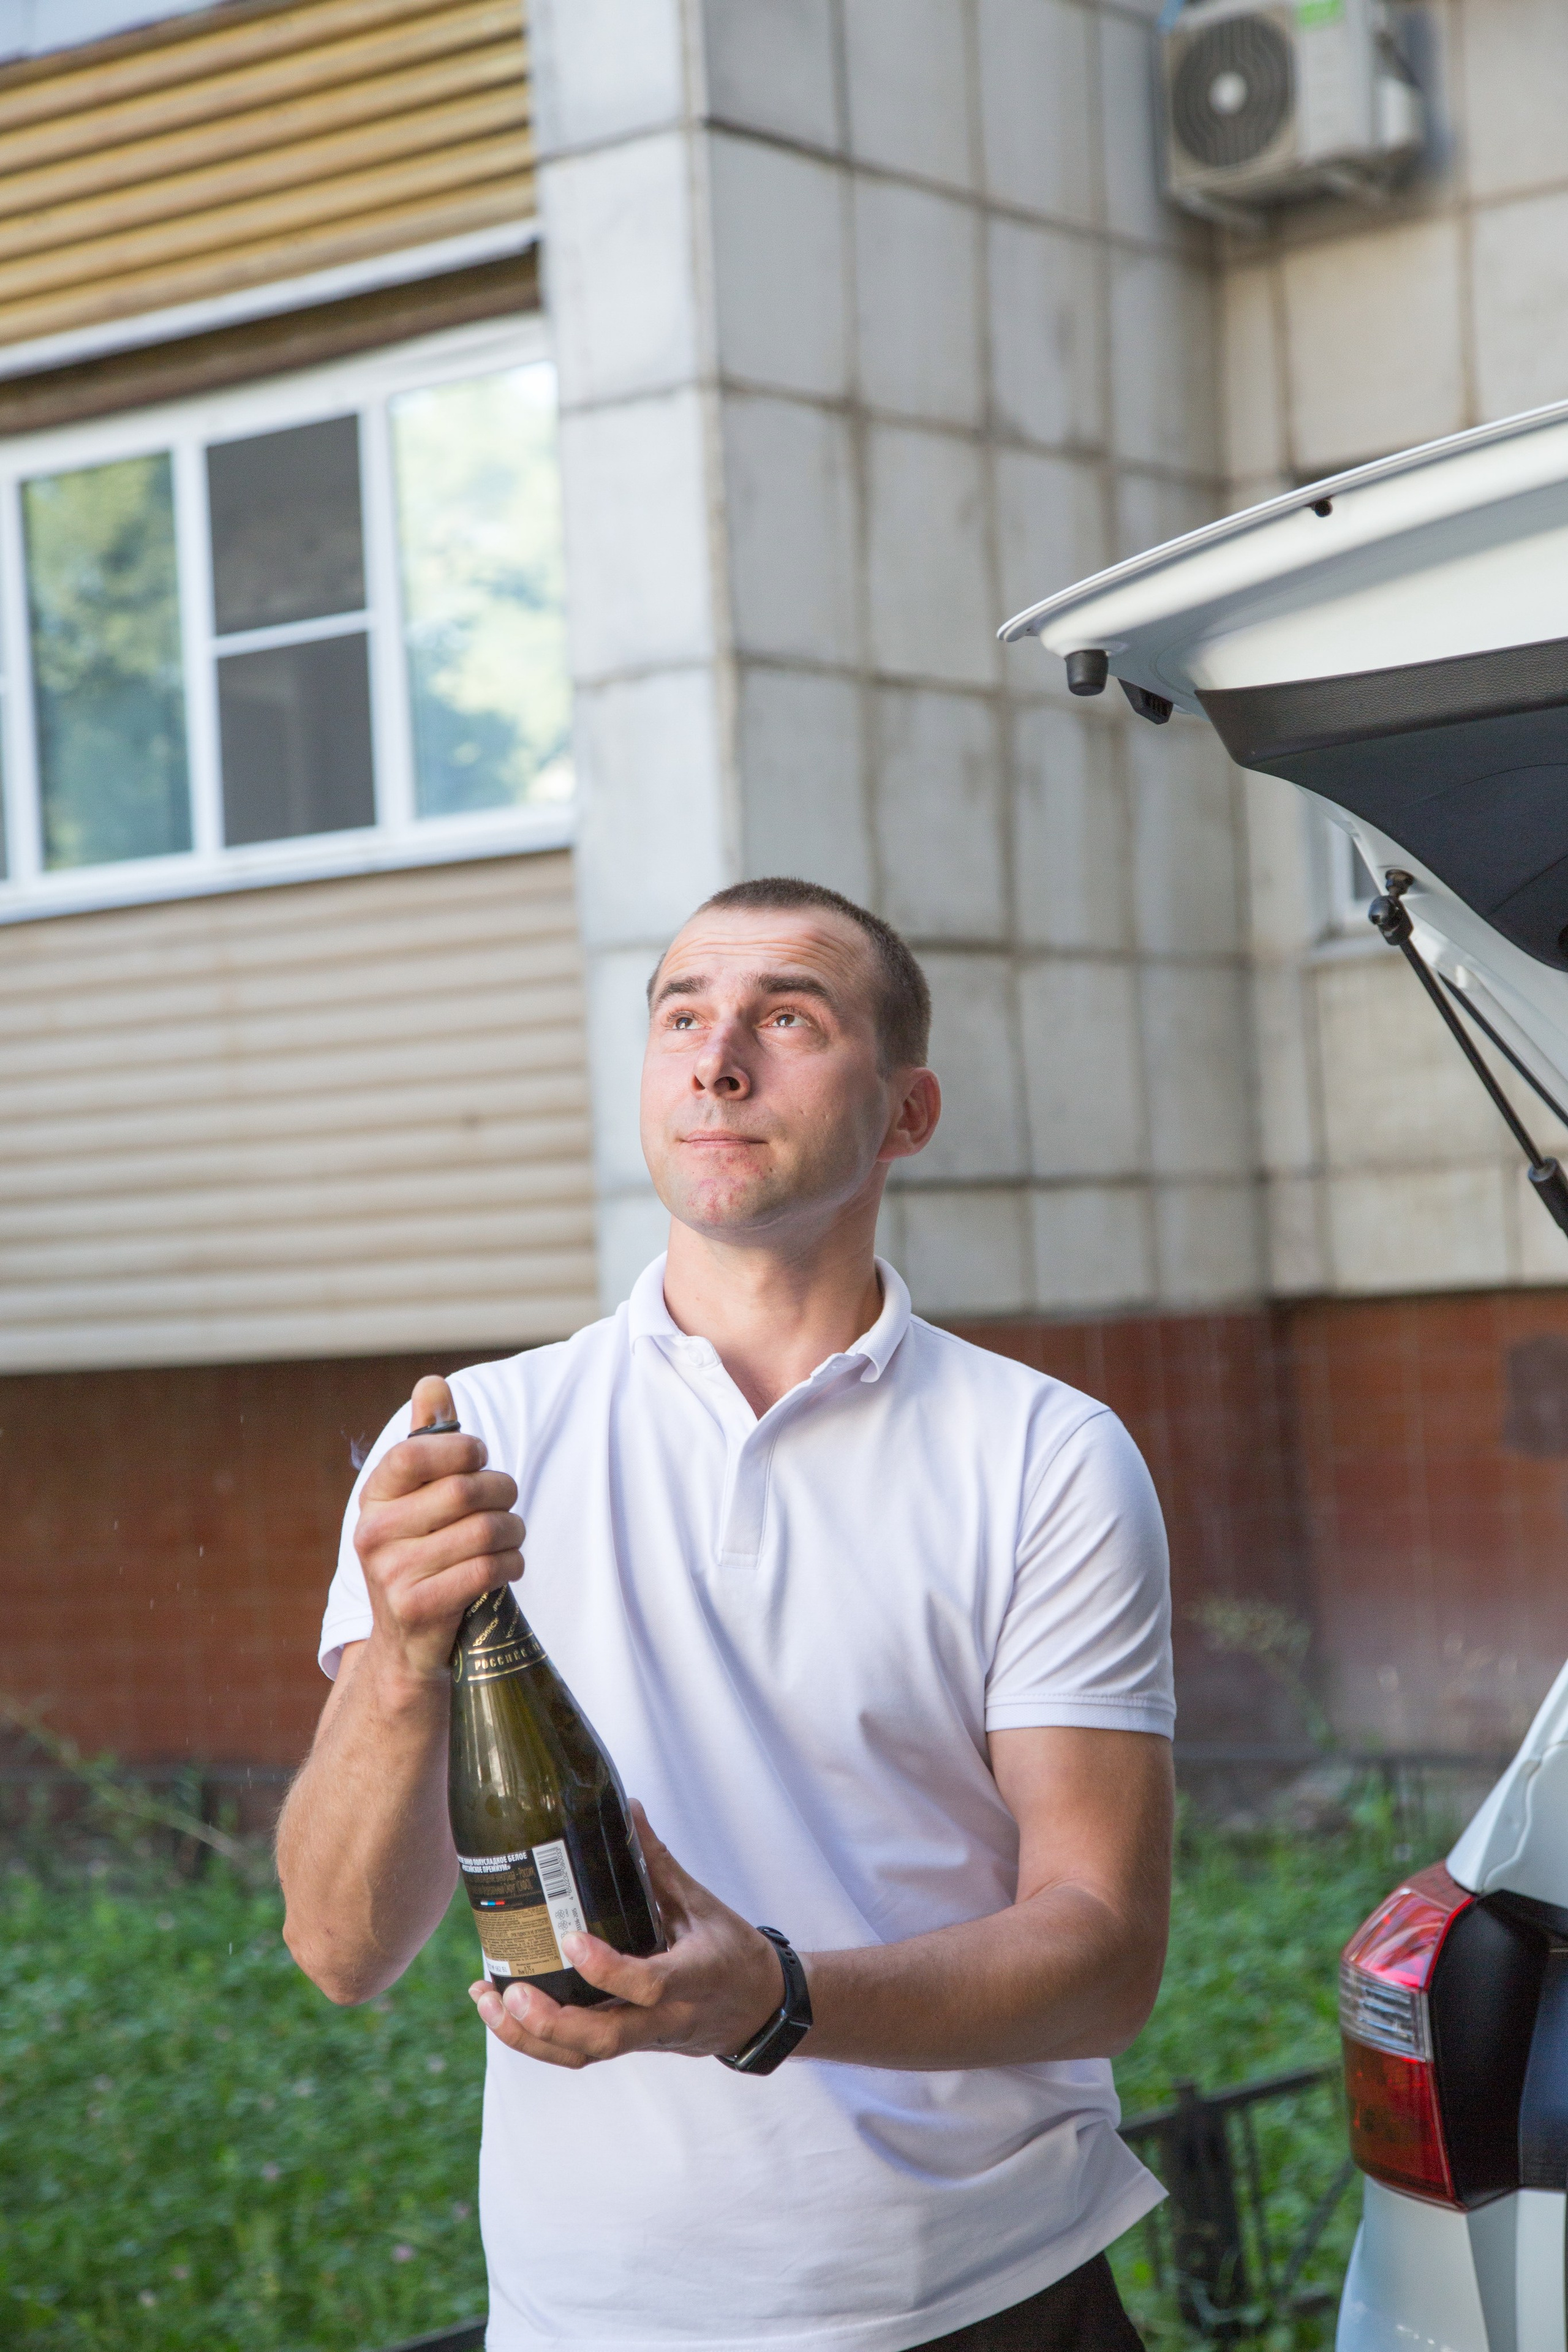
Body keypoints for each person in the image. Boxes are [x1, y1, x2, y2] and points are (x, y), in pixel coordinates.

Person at [277, 876, 1175, 2352]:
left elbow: (1100, 1952)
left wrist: (770, 1994)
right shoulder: (470, 1439)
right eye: (680, 1016)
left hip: (981, 2298)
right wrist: (393, 1665)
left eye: (788, 1018)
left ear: (905, 1113)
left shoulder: (1043, 1454)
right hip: (598, 2317)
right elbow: (339, 1949)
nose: (715, 1058)